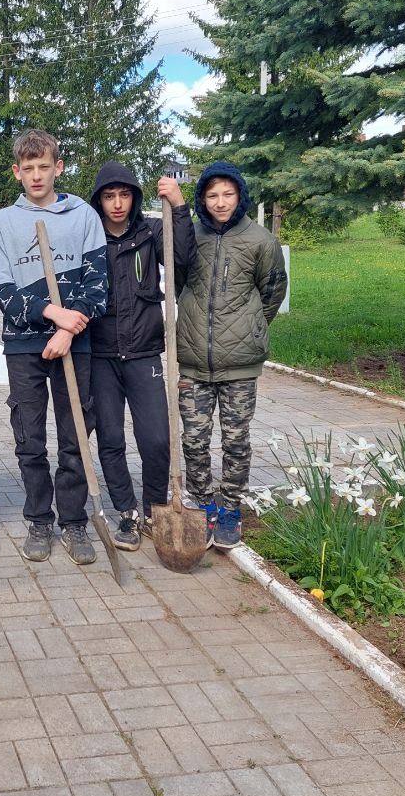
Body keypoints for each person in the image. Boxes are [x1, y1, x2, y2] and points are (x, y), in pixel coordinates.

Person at [0, 130, 108, 565]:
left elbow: (97, 287)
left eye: (45, 167)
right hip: (24, 346)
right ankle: (39, 517)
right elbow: (4, 293)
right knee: (29, 437)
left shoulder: (83, 216)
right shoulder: (2, 222)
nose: (36, 176)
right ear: (17, 172)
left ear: (58, 168)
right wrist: (53, 316)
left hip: (76, 345)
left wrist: (68, 331)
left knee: (75, 434)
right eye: (28, 168)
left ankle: (74, 520)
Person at [176, 160, 288, 550]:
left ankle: (231, 509)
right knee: (194, 439)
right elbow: (176, 281)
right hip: (192, 359)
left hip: (239, 364)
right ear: (201, 199)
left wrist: (250, 325)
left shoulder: (260, 241)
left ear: (239, 195)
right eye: (212, 195)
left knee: (236, 440)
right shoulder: (190, 237)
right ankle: (204, 504)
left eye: (227, 194)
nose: (220, 202)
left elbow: (272, 292)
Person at [88, 163, 195, 549]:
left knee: (155, 438)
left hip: (145, 352)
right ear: (99, 200)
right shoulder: (90, 237)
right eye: (109, 196)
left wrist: (180, 207)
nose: (117, 204)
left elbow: (182, 256)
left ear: (134, 197)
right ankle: (127, 514)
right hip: (101, 354)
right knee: (111, 438)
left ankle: (154, 508)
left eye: (125, 195)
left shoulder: (150, 233)